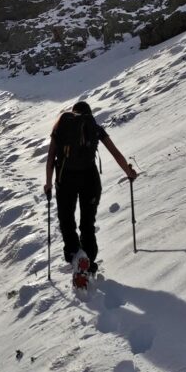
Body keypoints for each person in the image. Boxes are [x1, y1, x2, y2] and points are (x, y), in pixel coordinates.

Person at [44, 101, 137, 273]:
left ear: (73, 113)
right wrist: (128, 172)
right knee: (87, 223)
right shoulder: (94, 127)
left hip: (65, 180)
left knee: (67, 220)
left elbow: (50, 160)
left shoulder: (61, 126)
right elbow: (115, 153)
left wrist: (48, 184)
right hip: (90, 178)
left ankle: (74, 255)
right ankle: (89, 261)